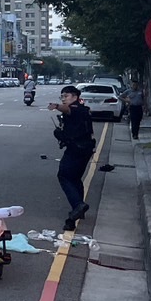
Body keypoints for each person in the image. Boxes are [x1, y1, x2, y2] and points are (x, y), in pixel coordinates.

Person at [48, 85, 95, 230]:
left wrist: (56, 106)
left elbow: (67, 110)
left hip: (76, 149)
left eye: (66, 96)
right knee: (75, 179)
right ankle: (78, 212)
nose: (63, 99)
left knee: (64, 176)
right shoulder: (84, 109)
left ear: (75, 97)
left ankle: (78, 205)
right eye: (61, 97)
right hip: (86, 148)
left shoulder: (75, 108)